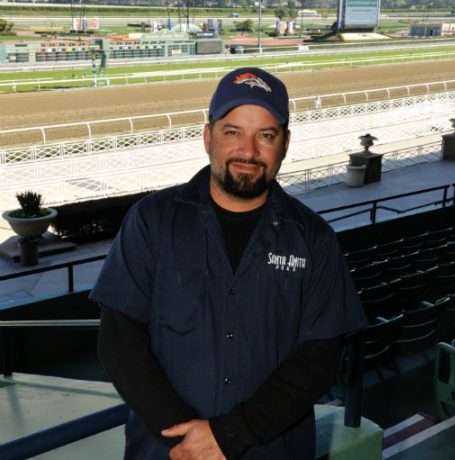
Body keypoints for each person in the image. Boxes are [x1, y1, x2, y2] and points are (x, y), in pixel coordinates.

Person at [91, 67, 368, 460]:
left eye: (266, 136)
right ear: (208, 137)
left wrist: (231, 435)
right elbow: (119, 342)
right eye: (232, 132)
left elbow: (319, 359)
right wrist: (188, 441)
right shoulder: (151, 220)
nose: (249, 151)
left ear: (285, 144)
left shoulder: (314, 238)